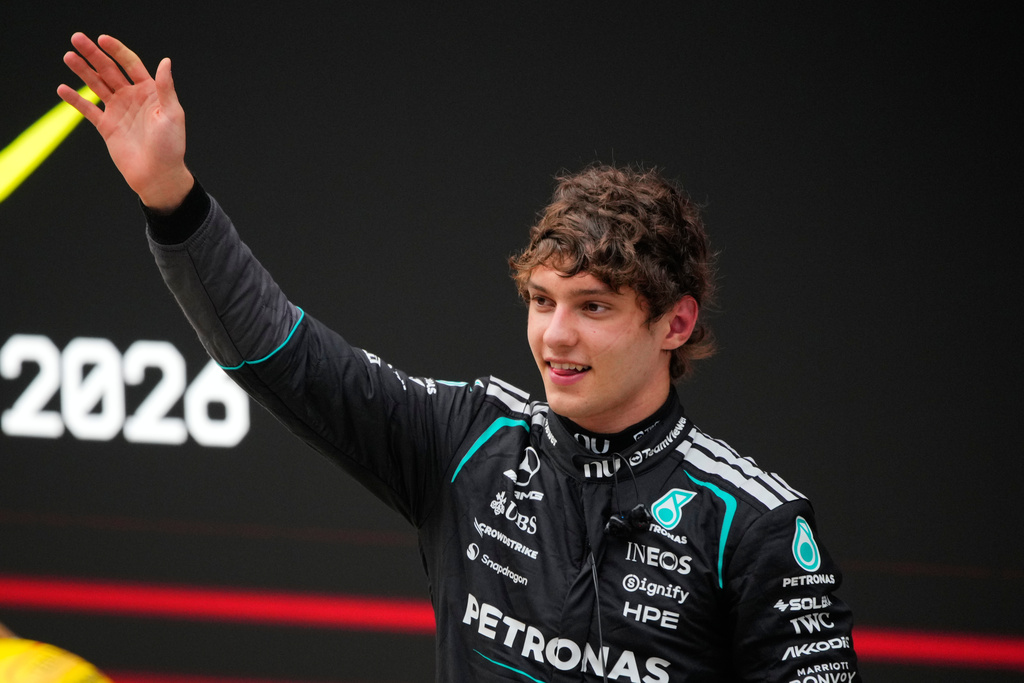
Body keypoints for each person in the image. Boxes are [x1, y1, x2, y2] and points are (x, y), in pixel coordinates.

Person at [59, 33, 860, 682]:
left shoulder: (753, 525)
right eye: (542, 301)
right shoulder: (468, 438)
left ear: (675, 323)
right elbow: (280, 352)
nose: (555, 336)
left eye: (594, 308)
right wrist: (171, 194)